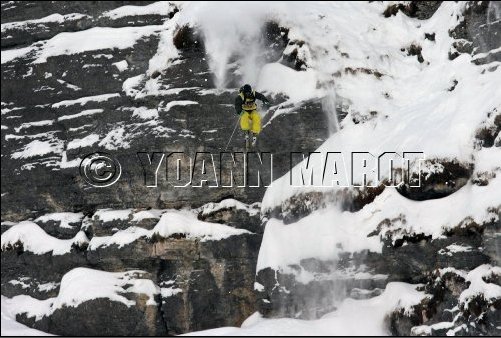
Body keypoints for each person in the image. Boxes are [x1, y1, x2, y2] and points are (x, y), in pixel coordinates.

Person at [234, 84, 270, 148]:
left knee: (256, 117)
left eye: (249, 93)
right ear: (244, 92)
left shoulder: (253, 93)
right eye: (246, 93)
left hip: (253, 110)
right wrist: (239, 111)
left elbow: (261, 96)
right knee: (244, 117)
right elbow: (237, 105)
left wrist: (265, 101)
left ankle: (255, 133)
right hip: (244, 110)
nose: (248, 94)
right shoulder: (240, 96)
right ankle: (246, 131)